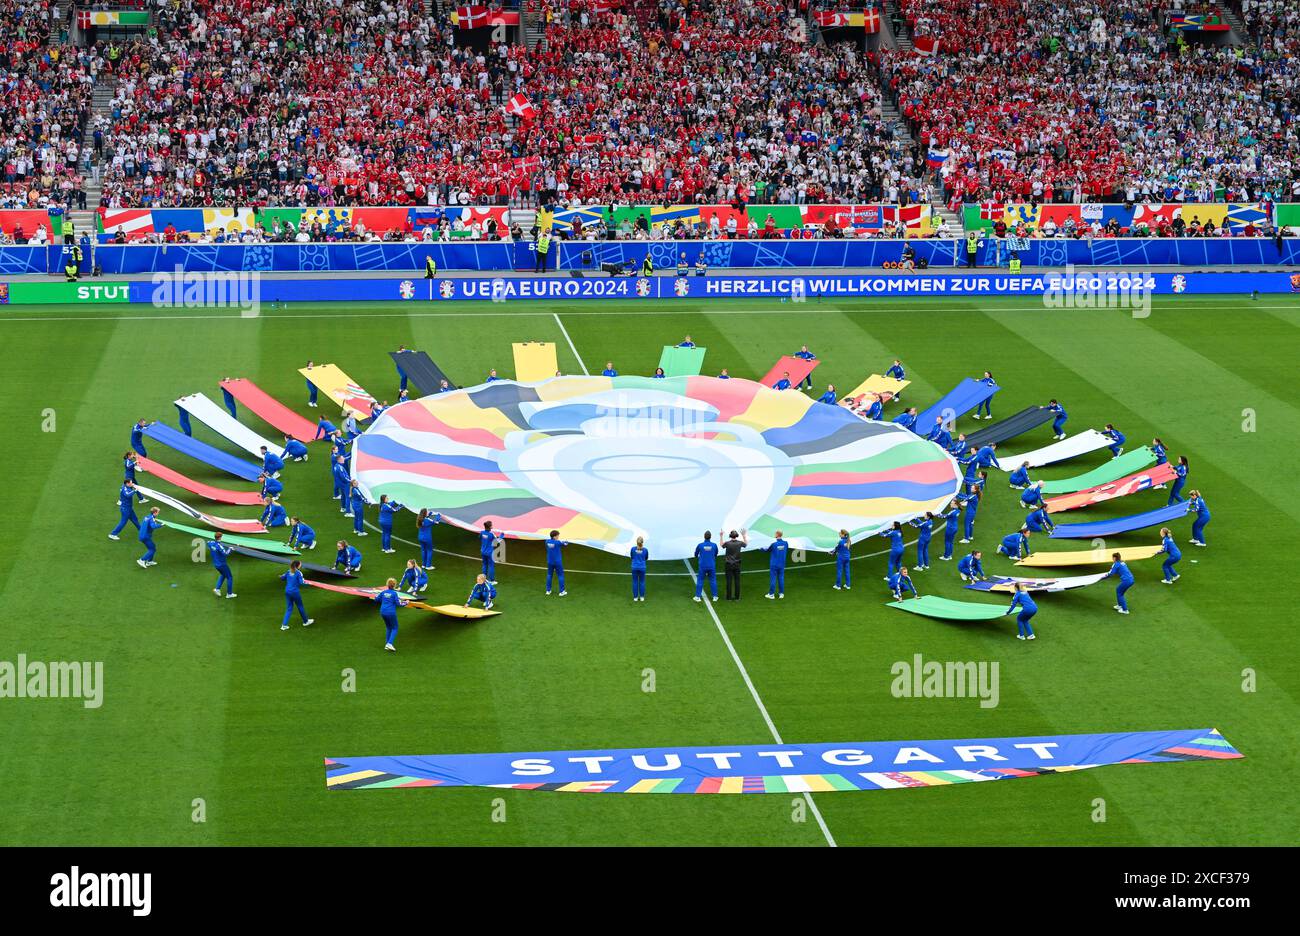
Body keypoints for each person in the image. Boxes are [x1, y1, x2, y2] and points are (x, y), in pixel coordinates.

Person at [375, 579, 408, 652]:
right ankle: (389, 643)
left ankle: (387, 644)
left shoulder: (383, 592)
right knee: (395, 628)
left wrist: (384, 600)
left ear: (387, 585)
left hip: (383, 612)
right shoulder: (394, 593)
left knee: (388, 627)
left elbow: (376, 599)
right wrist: (406, 603)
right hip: (390, 612)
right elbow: (398, 604)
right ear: (394, 585)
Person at [280, 559, 314, 630]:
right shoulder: (299, 573)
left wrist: (281, 576)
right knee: (300, 606)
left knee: (289, 608)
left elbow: (282, 578)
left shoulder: (288, 571)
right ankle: (306, 622)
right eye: (300, 564)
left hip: (287, 592)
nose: (301, 565)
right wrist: (309, 584)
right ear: (298, 566)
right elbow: (302, 582)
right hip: (295, 592)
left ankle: (284, 625)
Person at [693, 531, 719, 602]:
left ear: (704, 536)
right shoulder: (714, 545)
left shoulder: (700, 545)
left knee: (700, 580)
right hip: (711, 565)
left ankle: (697, 596)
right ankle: (715, 596)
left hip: (702, 566)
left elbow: (695, 554)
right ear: (710, 537)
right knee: (713, 580)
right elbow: (716, 553)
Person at [208, 532, 235, 598]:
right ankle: (229, 594)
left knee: (223, 575)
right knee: (229, 577)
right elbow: (225, 554)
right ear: (220, 537)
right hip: (222, 565)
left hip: (216, 564)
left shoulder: (211, 543)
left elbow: (208, 542)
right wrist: (230, 549)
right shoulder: (219, 546)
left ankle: (217, 589)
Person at [722, 529, 747, 600]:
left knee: (729, 581)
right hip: (737, 564)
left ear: (730, 536)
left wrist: (721, 536)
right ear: (736, 536)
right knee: (737, 581)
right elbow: (745, 544)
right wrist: (744, 535)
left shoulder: (727, 543)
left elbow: (721, 545)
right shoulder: (739, 543)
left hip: (728, 564)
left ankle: (729, 597)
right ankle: (737, 597)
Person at [764, 531, 789, 599]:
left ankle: (771, 594)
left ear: (777, 535)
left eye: (775, 533)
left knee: (773, 579)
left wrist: (760, 548)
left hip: (774, 564)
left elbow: (767, 550)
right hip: (782, 564)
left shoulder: (774, 544)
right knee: (781, 578)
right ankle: (781, 593)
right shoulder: (786, 543)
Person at [545, 531, 568, 596]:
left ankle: (548, 591)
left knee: (549, 575)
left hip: (550, 561)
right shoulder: (558, 543)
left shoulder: (547, 541)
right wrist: (566, 542)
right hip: (557, 562)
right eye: (557, 535)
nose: (558, 536)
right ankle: (562, 591)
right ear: (554, 536)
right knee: (560, 576)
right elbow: (565, 544)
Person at [630, 536, 649, 602]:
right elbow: (646, 558)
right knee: (642, 582)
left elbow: (632, 557)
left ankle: (635, 598)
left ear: (636, 542)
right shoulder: (645, 550)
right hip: (642, 568)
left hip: (634, 567)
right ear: (642, 542)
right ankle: (642, 597)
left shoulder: (632, 549)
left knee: (635, 582)